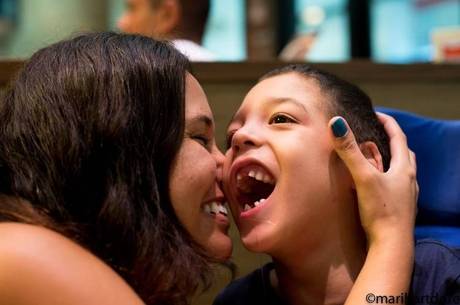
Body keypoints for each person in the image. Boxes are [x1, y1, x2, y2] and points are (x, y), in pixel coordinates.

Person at [0, 33, 418, 305]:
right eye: (201, 139)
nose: (229, 153)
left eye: (281, 120)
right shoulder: (24, 256)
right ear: (124, 152)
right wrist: (392, 235)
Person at [215, 64, 460, 305]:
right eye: (231, 135)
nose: (239, 137)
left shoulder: (441, 278)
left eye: (280, 118)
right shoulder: (237, 300)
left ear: (361, 163)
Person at [117, 0, 215, 61]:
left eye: (132, 8)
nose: (121, 23)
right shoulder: (223, 73)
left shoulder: (142, 71)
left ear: (167, 14)